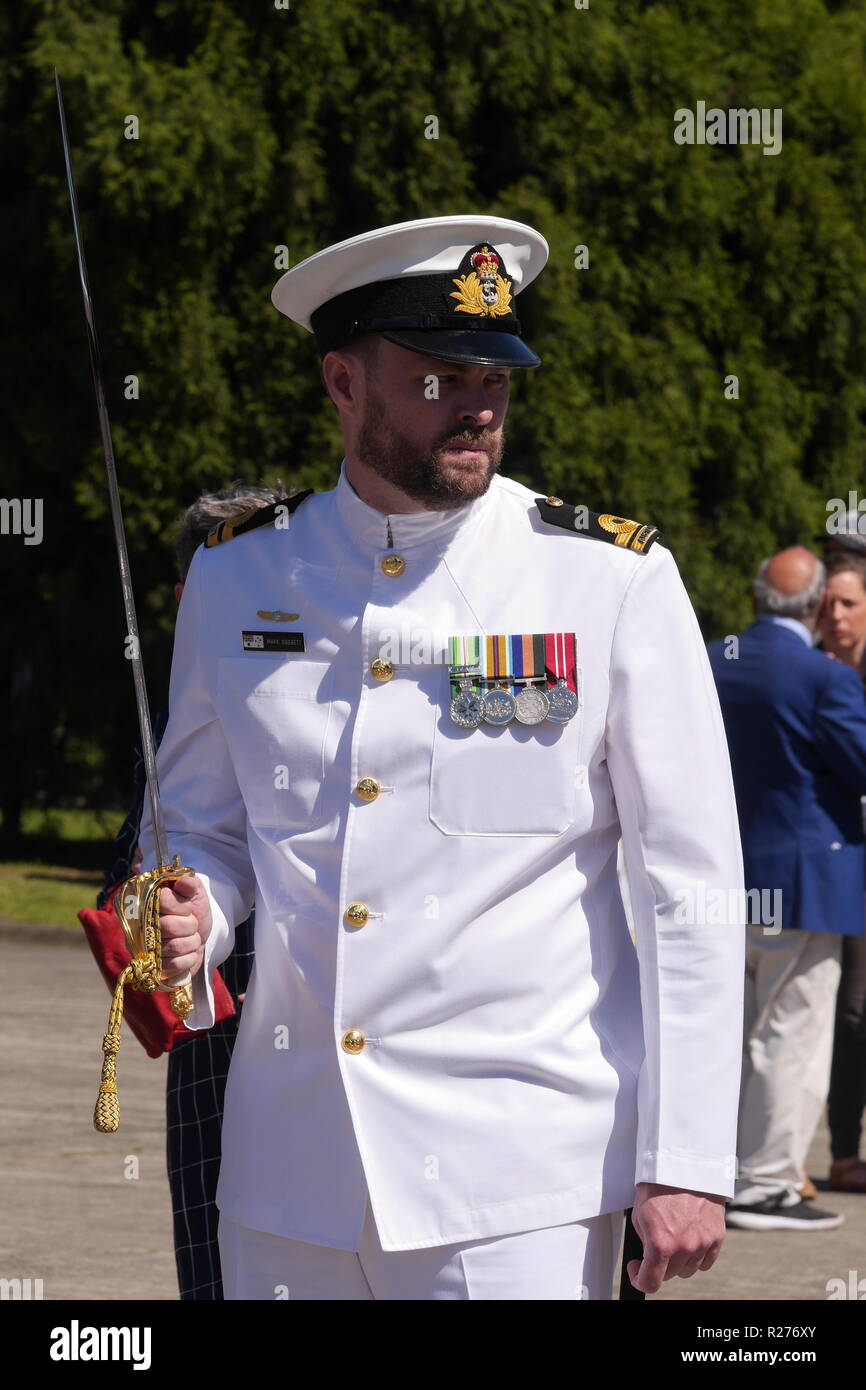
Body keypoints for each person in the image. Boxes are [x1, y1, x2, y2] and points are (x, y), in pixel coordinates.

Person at [140, 215, 745, 1301]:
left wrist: (687, 1161)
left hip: (520, 1186)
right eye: (437, 378)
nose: (478, 405)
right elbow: (198, 828)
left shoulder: (604, 579)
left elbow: (685, 889)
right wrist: (191, 908)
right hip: (290, 1177)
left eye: (495, 377)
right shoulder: (237, 579)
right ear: (341, 381)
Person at [101, 483, 288, 1298]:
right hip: (220, 1018)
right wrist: (165, 914)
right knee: (220, 1267)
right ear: (196, 592)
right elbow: (134, 871)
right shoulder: (179, 703)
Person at [708, 547, 866, 1230]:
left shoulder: (715, 658)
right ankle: (767, 1182)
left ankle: (724, 1170)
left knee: (738, 1031)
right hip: (804, 881)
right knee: (791, 1033)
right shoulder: (823, 677)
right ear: (812, 605)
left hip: (724, 876)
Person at [818, 550, 866, 1193]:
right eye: (827, 603)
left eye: (849, 603)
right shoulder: (807, 672)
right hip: (840, 865)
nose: (835, 615)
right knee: (852, 1011)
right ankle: (843, 1150)